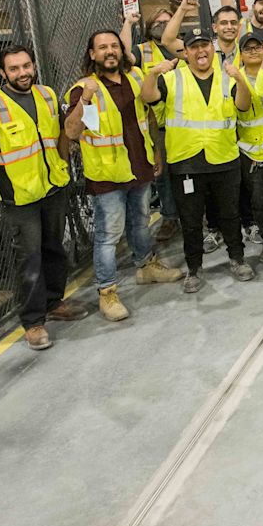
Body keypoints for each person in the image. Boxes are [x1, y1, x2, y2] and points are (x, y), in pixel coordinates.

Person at [0, 44, 86, 350]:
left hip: (52, 186)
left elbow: (63, 133)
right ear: (3, 73)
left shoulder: (46, 94)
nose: (22, 73)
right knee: (28, 260)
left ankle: (54, 303)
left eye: (26, 66)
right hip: (19, 196)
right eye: (14, 69)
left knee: (54, 248)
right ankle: (33, 323)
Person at [63, 30, 182, 322]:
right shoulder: (82, 88)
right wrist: (85, 100)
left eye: (114, 46)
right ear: (92, 54)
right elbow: (72, 131)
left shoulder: (136, 77)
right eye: (102, 48)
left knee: (140, 223)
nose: (109, 51)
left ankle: (146, 266)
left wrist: (155, 151)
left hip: (139, 166)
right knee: (108, 236)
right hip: (107, 176)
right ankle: (107, 292)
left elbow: (150, 116)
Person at [140, 27, 254, 293]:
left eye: (205, 46)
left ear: (211, 50)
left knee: (230, 214)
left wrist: (242, 80)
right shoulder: (171, 79)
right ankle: (194, 268)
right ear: (186, 53)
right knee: (190, 221)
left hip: (224, 158)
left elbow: (244, 106)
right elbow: (147, 97)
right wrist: (154, 72)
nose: (200, 51)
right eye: (194, 47)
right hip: (186, 162)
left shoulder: (228, 77)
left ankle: (237, 258)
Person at [233, 33, 263, 261]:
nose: (253, 51)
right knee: (260, 203)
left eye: (257, 47)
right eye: (247, 48)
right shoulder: (234, 80)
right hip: (253, 153)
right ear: (240, 54)